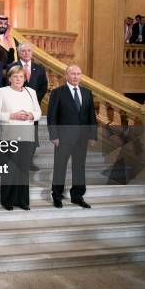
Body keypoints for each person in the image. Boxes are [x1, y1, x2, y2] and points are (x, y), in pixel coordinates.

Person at [0, 65, 42, 211]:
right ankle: (8, 200)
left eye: (21, 76)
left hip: (27, 134)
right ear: (10, 78)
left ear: (25, 78)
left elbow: (38, 112)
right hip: (7, 135)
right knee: (9, 169)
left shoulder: (31, 92)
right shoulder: (2, 92)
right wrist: (11, 115)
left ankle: (22, 200)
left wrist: (31, 115)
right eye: (15, 76)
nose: (18, 79)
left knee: (23, 169)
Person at [47, 65, 97, 209]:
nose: (75, 76)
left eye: (78, 74)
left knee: (79, 167)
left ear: (81, 76)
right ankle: (57, 195)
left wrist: (92, 135)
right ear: (66, 75)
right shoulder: (58, 92)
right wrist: (54, 135)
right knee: (60, 167)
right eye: (72, 73)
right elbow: (52, 116)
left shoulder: (87, 92)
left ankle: (77, 195)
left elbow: (91, 116)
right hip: (63, 138)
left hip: (82, 138)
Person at [7, 43, 48, 171]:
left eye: (28, 51)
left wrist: (34, 102)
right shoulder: (11, 67)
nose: (26, 53)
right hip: (15, 109)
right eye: (23, 51)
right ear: (19, 53)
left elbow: (43, 87)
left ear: (32, 53)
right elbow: (7, 86)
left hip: (32, 110)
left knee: (31, 137)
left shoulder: (39, 68)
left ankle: (29, 162)